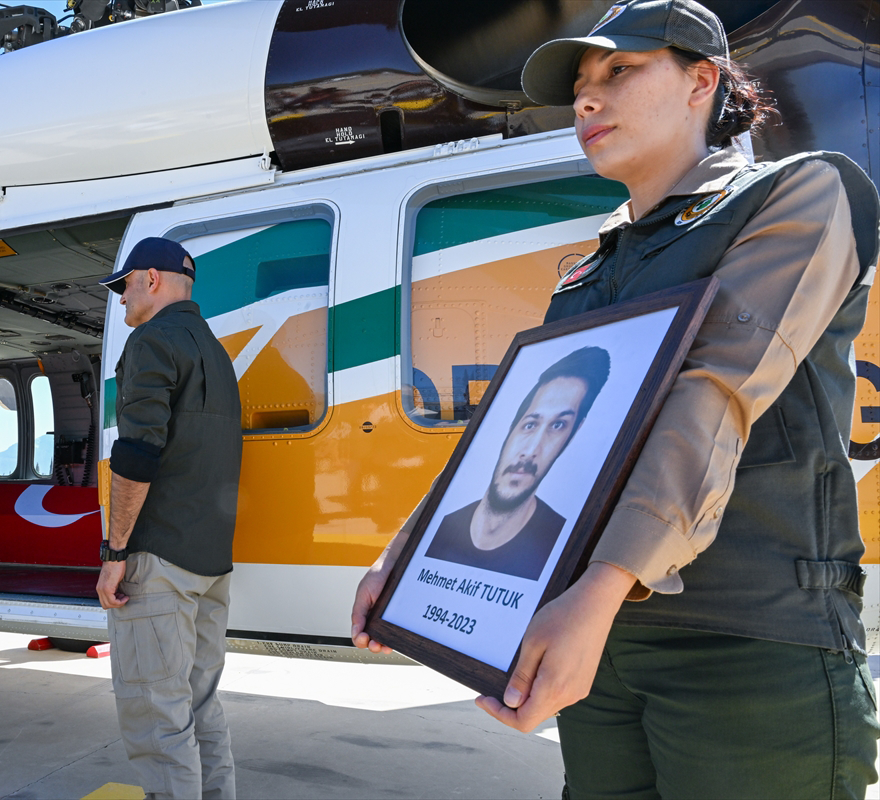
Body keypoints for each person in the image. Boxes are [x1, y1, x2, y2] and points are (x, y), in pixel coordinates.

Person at [352, 0, 880, 796]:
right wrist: (410, 551)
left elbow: (713, 392)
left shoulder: (797, 195)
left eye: (619, 70)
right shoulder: (591, 265)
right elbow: (513, 428)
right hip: (602, 643)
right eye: (580, 88)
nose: (587, 100)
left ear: (702, 80)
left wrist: (596, 593)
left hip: (746, 643)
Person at [96, 237, 243, 800]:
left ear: (150, 279)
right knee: (200, 707)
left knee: (157, 719)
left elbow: (137, 454)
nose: (121, 301)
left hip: (157, 563)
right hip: (210, 564)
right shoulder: (214, 350)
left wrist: (115, 555)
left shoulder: (150, 343)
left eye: (124, 287)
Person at [426, 347, 610, 580]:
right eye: (530, 424)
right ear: (511, 428)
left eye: (558, 426)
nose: (531, 451)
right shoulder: (438, 529)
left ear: (573, 435)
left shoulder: (562, 547)